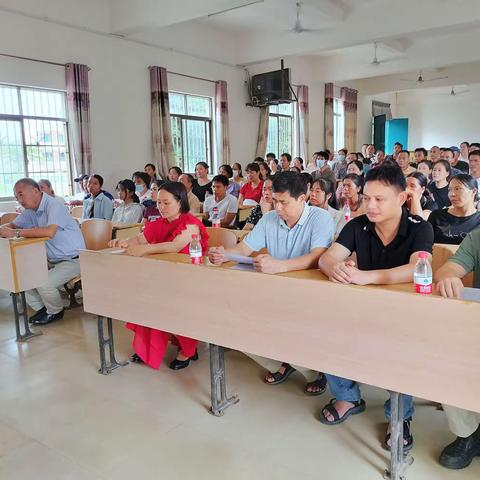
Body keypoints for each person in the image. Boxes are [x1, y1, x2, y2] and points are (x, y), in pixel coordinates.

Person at [318, 165, 434, 451]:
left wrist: (367, 277)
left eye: (379, 199)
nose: (370, 205)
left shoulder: (420, 227)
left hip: (404, 314)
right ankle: (347, 396)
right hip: (360, 308)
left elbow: (419, 267)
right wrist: (337, 270)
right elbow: (328, 258)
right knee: (326, 328)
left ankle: (400, 415)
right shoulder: (357, 225)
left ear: (402, 198)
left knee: (402, 350)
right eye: (366, 197)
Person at [208, 171, 334, 393]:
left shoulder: (320, 218)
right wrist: (225, 254)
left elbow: (318, 256)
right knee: (236, 322)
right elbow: (245, 248)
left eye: (284, 202)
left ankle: (313, 371)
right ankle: (282, 362)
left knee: (293, 331)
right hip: (274, 289)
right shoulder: (269, 219)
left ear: (302, 198)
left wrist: (281, 266)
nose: (277, 208)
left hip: (309, 293)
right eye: (274, 201)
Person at [108, 182, 209, 370]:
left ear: (180, 202)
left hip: (189, 281)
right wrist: (124, 242)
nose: (161, 207)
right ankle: (148, 349)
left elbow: (174, 246)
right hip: (163, 277)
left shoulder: (191, 224)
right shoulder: (159, 223)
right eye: (159, 203)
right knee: (146, 299)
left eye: (166, 203)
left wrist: (142, 250)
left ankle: (188, 350)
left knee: (176, 304)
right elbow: (140, 238)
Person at [0, 178, 85, 325]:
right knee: (20, 278)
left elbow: (49, 232)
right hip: (52, 260)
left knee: (44, 283)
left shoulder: (54, 205)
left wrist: (16, 233)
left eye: (21, 194)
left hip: (74, 259)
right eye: (16, 196)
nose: (19, 200)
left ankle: (56, 311)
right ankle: (44, 308)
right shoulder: (31, 210)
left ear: (35, 191)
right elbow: (13, 225)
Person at [434, 231, 480, 470]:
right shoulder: (477, 237)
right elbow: (448, 270)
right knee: (447, 358)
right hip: (476, 326)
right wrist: (449, 278)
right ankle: (468, 434)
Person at [428, 174, 480, 244]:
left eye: (458, 189)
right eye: (449, 190)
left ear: (473, 191)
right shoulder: (436, 216)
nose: (452, 194)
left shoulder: (478, 221)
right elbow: (424, 245)